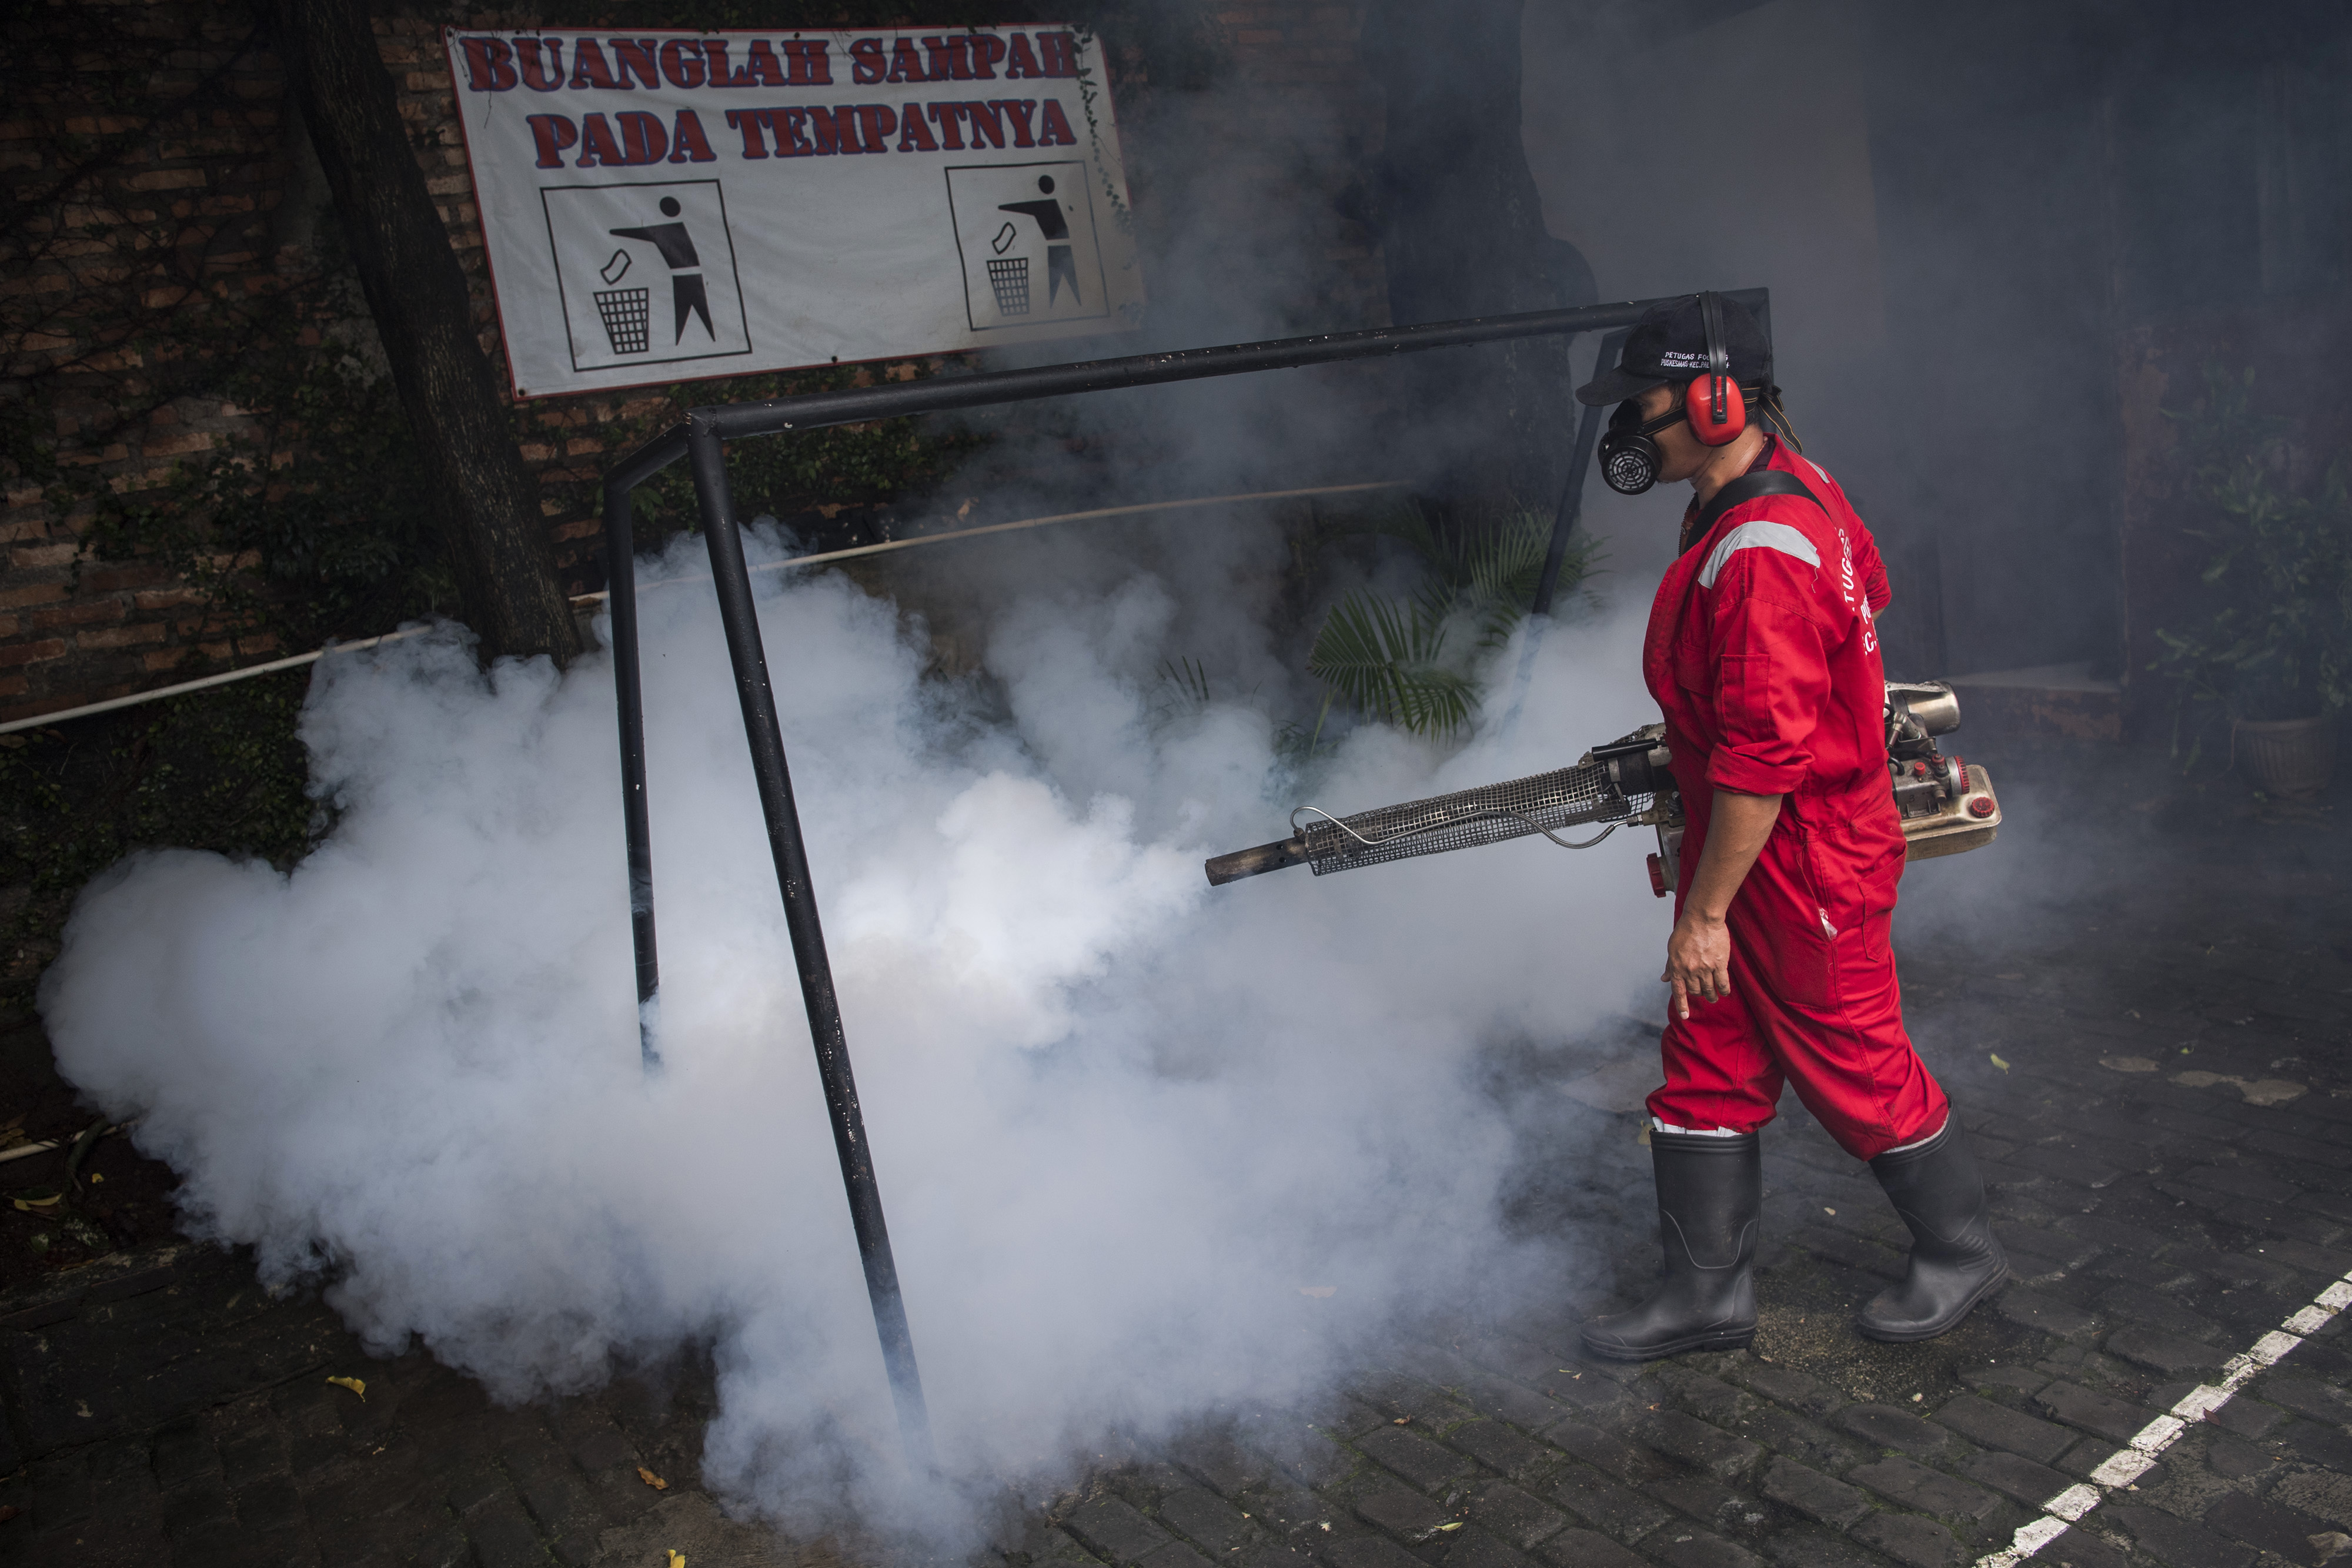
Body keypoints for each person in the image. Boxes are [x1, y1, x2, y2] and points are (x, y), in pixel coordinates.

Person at [1573, 295, 2005, 1360]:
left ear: (1716, 400)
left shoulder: (1762, 545)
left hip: (1798, 852)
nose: (1628, 426)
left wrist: (1704, 912)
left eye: (1643, 403)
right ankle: (1706, 1296)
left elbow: (1768, 762)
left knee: (1852, 1053)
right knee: (1710, 1045)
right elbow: (1861, 602)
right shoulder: (1769, 492)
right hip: (1754, 841)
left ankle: (1963, 1253)